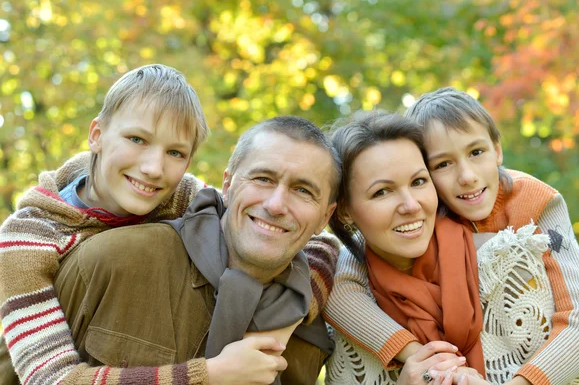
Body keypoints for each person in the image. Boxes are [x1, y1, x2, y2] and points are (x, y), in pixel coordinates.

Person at [0, 62, 335, 384]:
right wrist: (210, 376)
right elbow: (52, 380)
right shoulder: (27, 241)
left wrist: (285, 320)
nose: (153, 168)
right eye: (137, 139)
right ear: (97, 134)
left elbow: (316, 244)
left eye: (175, 153)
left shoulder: (179, 195)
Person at [323, 91, 579, 385]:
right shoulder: (420, 215)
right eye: (442, 164)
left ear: (497, 150)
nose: (467, 176)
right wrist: (418, 355)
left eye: (476, 152)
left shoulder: (535, 201)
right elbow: (342, 291)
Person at [51, 115, 340, 384]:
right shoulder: (108, 261)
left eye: (303, 190)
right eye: (263, 179)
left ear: (325, 218)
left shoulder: (308, 325)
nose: (276, 205)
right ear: (227, 185)